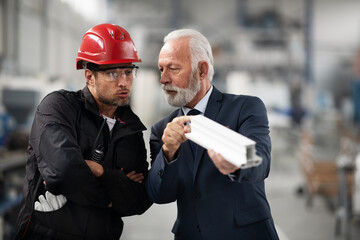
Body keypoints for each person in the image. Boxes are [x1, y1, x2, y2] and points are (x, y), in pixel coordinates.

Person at [13, 23, 151, 240]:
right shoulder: (59, 108)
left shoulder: (131, 129)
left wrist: (101, 171)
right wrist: (111, 196)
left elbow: (141, 198)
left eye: (128, 72)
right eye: (113, 74)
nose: (124, 82)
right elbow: (64, 171)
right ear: (89, 76)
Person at [146, 29, 279, 240]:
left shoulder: (245, 108)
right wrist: (168, 153)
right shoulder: (162, 130)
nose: (163, 79)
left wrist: (237, 161)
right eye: (161, 69)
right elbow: (159, 195)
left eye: (173, 68)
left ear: (201, 70)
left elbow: (260, 161)